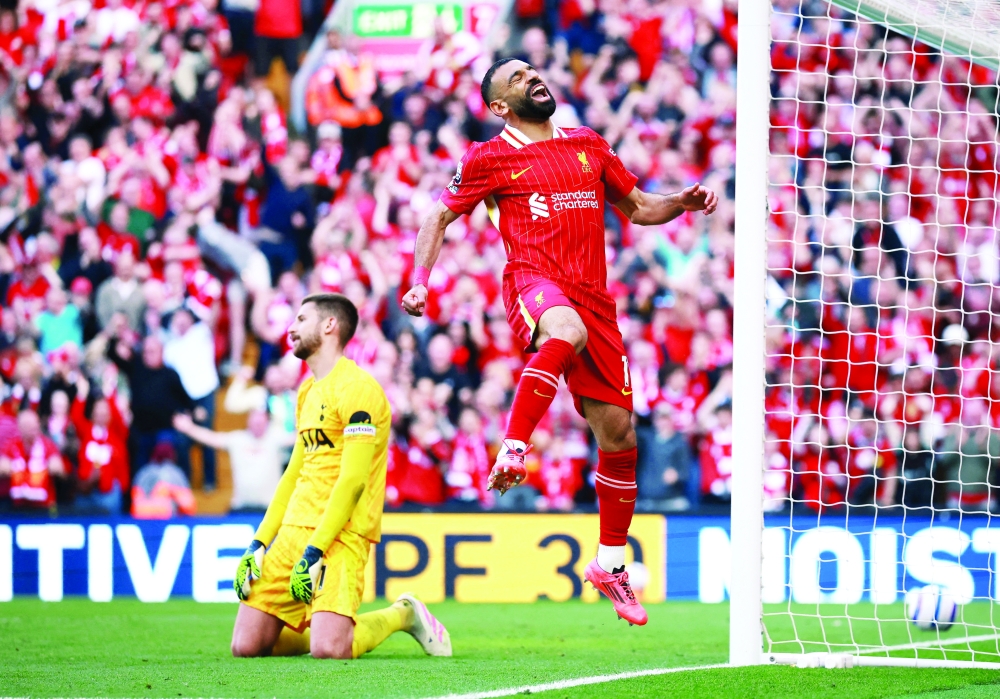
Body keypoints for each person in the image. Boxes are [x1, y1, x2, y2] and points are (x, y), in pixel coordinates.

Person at [402, 58, 718, 626]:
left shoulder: (588, 143)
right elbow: (436, 220)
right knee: (564, 331)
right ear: (499, 106)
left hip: (596, 299)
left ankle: (610, 563)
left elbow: (640, 207)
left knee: (620, 435)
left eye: (532, 71)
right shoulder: (489, 156)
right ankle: (514, 446)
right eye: (517, 78)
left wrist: (681, 202)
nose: (532, 77)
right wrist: (420, 284)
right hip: (534, 283)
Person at [230, 293, 451, 659]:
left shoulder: (359, 390)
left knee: (330, 650)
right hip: (295, 527)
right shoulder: (306, 391)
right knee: (246, 646)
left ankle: (403, 614)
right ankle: (319, 623)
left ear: (329, 325)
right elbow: (293, 474)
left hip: (341, 533)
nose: (291, 327)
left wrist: (315, 550)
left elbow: (352, 481)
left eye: (301, 319)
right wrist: (258, 543)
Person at [172, 407, 294, 512]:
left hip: (269, 508)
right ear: (248, 420)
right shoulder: (237, 439)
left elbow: (299, 436)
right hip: (240, 506)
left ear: (267, 422)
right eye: (254, 419)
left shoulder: (276, 438)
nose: (257, 423)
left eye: (261, 420)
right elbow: (211, 438)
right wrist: (189, 428)